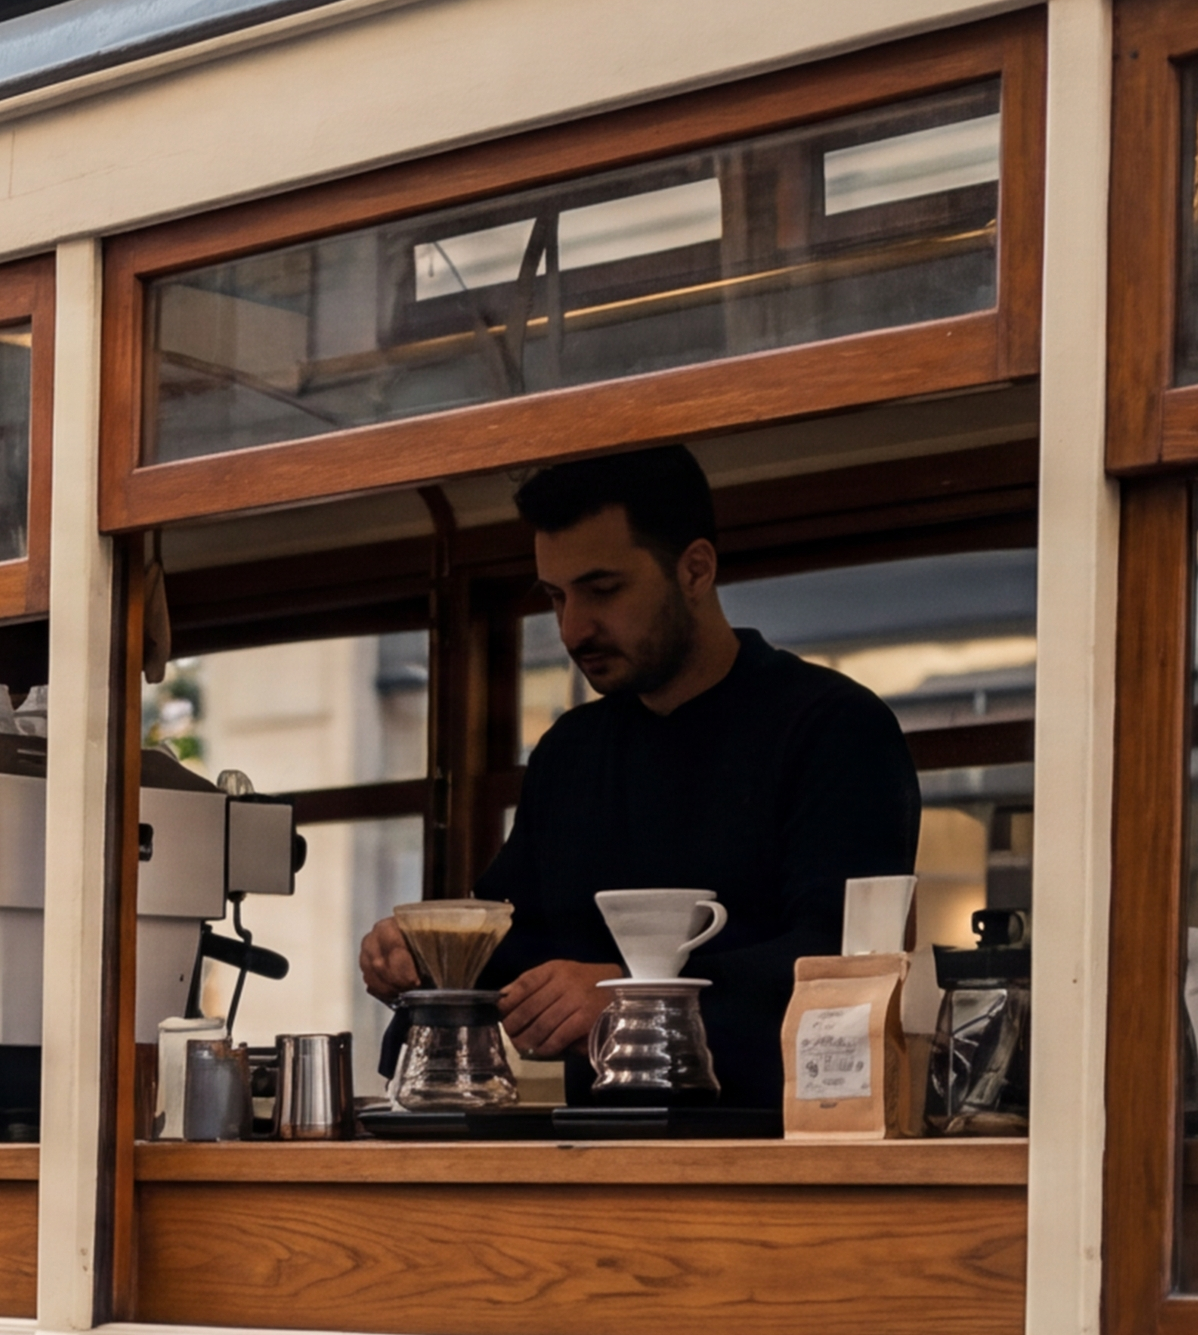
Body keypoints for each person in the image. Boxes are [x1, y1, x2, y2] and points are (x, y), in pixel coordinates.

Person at [354, 442, 920, 1090]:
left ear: (696, 570)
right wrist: (424, 951)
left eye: (602, 590)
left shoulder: (830, 725)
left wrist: (637, 999)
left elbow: (850, 959)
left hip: (788, 1146)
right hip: (600, 1148)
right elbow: (511, 941)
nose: (573, 629)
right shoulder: (570, 752)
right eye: (556, 597)